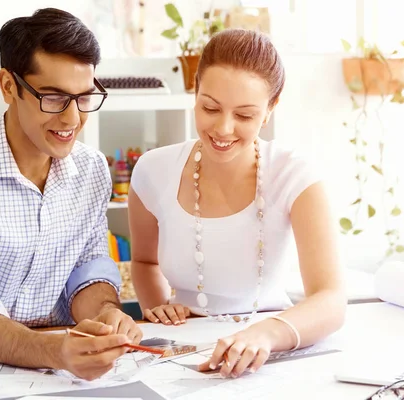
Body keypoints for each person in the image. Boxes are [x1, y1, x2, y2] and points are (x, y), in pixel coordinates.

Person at [0, 8, 141, 381]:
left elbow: (87, 265)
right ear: (8, 86)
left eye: (84, 97)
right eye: (53, 98)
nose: (72, 119)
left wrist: (104, 316)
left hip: (62, 370)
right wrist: (57, 351)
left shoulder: (92, 169)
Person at [128, 29, 346, 379]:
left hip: (270, 349)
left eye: (244, 115)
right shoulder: (153, 170)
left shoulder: (294, 175)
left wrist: (266, 334)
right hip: (183, 354)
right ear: (195, 91)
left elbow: (331, 299)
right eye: (210, 107)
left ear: (270, 109)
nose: (223, 128)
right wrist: (158, 312)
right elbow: (143, 260)